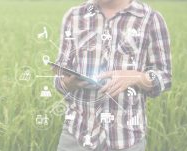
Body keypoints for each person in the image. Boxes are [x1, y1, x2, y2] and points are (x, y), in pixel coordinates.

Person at [54, 0, 172, 150]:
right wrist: (68, 82)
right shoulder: (74, 16)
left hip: (127, 139)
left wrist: (135, 77)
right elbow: (59, 74)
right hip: (76, 137)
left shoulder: (150, 19)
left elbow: (165, 76)